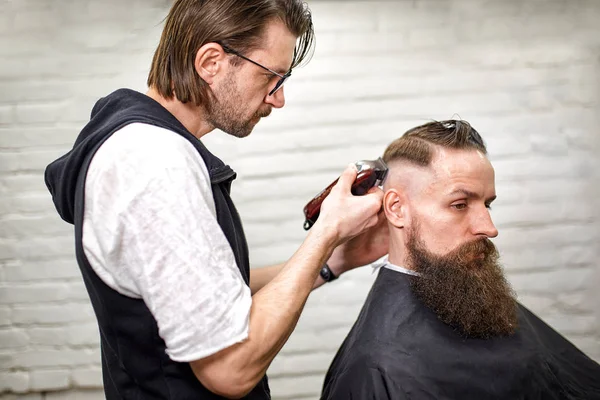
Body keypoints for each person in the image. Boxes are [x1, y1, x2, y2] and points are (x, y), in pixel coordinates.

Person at [44, 1, 387, 399]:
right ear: (211, 62)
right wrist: (326, 231)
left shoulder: (143, 148)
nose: (278, 99)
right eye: (272, 77)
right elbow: (230, 369)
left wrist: (333, 261)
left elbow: (217, 298)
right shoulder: (154, 163)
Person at [321, 120, 600, 400]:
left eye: (487, 204)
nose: (489, 228)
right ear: (397, 209)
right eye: (460, 205)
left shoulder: (468, 293)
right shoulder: (376, 365)